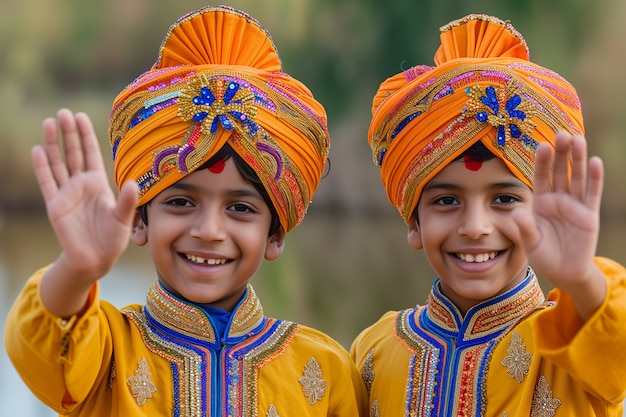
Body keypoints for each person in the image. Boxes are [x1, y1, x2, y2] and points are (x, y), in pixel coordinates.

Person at [4, 5, 367, 417]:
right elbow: (35, 341)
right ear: (140, 219)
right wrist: (77, 268)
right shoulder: (104, 351)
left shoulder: (325, 368)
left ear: (276, 234)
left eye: (240, 208)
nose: (209, 230)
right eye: (180, 202)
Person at [350, 14, 626, 417]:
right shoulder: (374, 349)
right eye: (446, 201)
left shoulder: (574, 342)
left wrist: (581, 280)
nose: (476, 227)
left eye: (504, 200)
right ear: (413, 221)